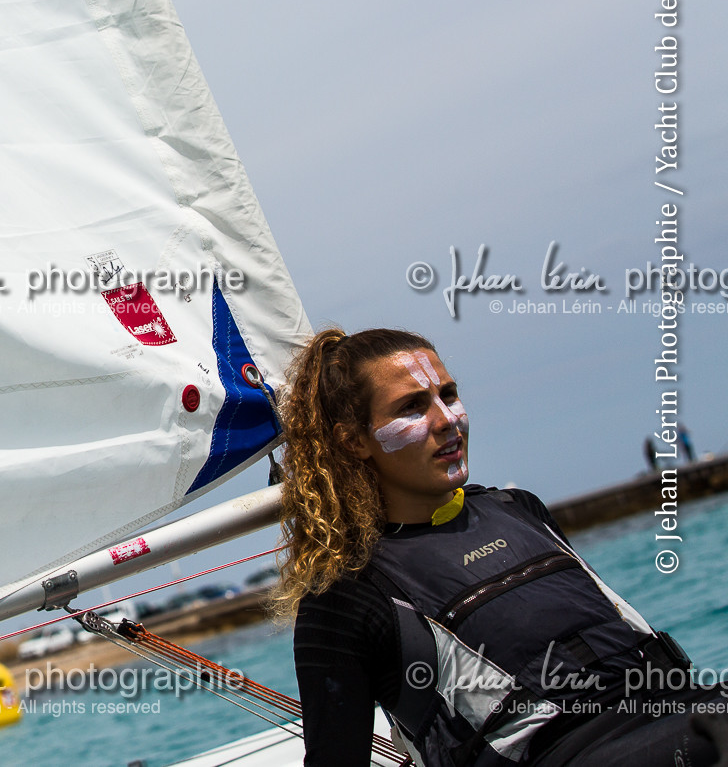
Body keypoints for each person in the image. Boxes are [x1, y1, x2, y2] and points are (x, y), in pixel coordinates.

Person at [273, 327, 725, 767]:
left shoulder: (519, 509)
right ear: (354, 441)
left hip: (679, 713)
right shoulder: (346, 596)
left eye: (448, 395)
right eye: (412, 407)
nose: (447, 420)